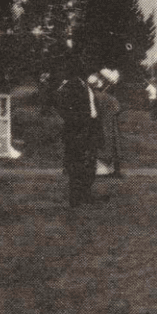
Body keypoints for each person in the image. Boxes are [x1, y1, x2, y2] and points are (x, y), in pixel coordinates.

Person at [51, 62, 102, 207]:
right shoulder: (73, 85)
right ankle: (76, 198)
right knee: (77, 164)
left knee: (89, 163)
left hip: (90, 128)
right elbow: (61, 105)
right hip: (77, 130)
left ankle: (85, 195)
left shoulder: (85, 85)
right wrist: (76, 121)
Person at [94, 69, 123, 178]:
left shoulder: (99, 96)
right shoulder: (107, 97)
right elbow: (117, 109)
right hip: (108, 124)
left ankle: (104, 169)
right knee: (109, 144)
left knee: (105, 144)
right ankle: (107, 169)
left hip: (104, 123)